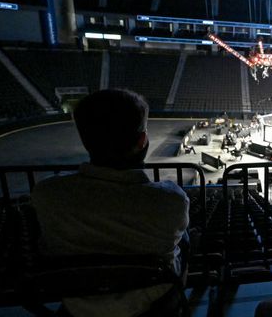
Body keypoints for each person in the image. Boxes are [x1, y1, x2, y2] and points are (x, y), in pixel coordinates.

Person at [32, 89, 190, 317]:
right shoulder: (171, 201)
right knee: (185, 239)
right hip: (155, 305)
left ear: (86, 139)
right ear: (142, 141)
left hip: (78, 306)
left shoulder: (47, 194)